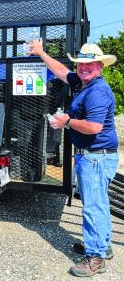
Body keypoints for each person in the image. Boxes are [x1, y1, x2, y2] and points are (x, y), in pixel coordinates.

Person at [29, 41, 119, 277]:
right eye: (81, 64)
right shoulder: (83, 82)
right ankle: (101, 245)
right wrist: (41, 53)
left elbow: (93, 126)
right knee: (98, 203)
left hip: (95, 158)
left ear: (100, 65)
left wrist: (65, 121)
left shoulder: (97, 92)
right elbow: (61, 71)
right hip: (95, 157)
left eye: (90, 64)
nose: (84, 67)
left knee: (92, 207)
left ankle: (96, 257)